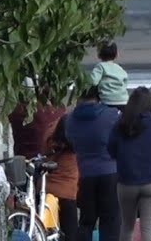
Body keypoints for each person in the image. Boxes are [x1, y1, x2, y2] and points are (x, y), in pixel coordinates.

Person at [108, 87, 151, 241]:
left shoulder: (121, 125)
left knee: (127, 226)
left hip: (126, 183)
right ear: (150, 105)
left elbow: (111, 150)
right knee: (147, 228)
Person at [64, 85, 120, 241]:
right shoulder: (111, 115)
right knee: (110, 220)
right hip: (110, 172)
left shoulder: (70, 119)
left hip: (84, 174)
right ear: (98, 96)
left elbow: (70, 140)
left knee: (86, 221)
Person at [44, 116, 80, 241]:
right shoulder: (75, 145)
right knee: (70, 232)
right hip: (67, 193)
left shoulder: (50, 139)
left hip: (46, 189)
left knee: (45, 230)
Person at [9, 81, 66, 158]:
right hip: (50, 161)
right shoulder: (59, 111)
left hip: (24, 161)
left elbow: (11, 114)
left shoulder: (20, 110)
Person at [90, 42, 129, 110]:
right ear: (116, 55)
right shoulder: (119, 68)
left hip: (107, 101)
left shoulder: (100, 66)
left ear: (99, 55)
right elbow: (125, 82)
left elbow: (93, 81)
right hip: (123, 100)